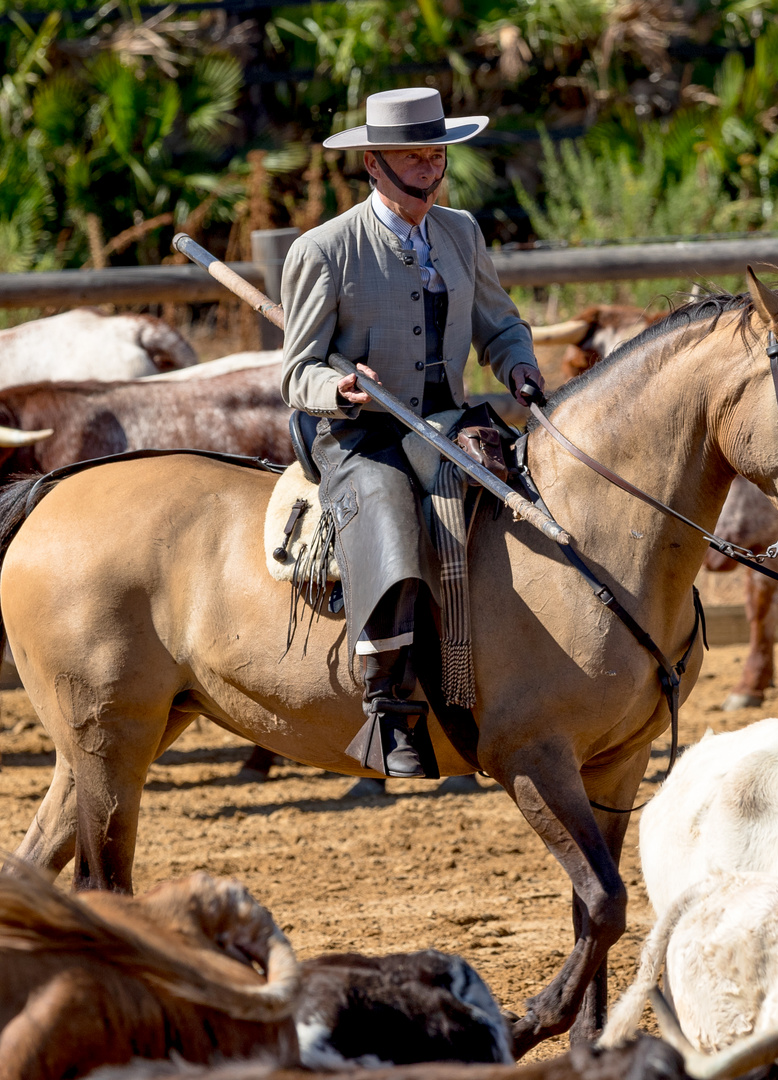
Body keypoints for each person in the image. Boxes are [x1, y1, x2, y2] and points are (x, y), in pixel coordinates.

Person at [280, 87, 544, 779]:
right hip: (355, 430)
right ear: (374, 163)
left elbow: (499, 322)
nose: (429, 169)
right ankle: (389, 705)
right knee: (389, 510)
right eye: (413, 157)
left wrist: (517, 365)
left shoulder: (460, 232)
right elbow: (296, 371)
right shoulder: (324, 250)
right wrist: (336, 388)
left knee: (520, 494)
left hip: (442, 420)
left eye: (436, 155)